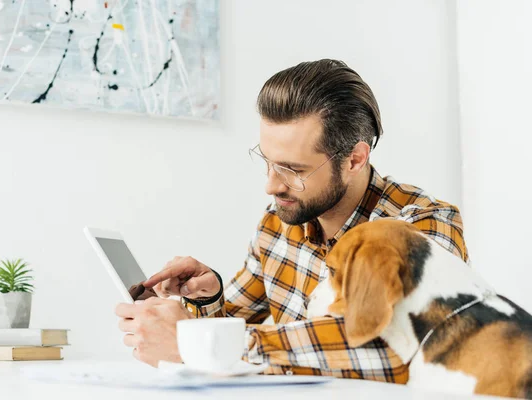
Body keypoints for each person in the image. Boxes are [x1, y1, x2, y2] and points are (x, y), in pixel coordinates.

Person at [115, 59, 468, 383]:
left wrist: (192, 345)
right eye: (267, 161)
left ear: (355, 159)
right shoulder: (278, 224)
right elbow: (237, 329)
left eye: (293, 169)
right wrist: (208, 298)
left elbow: (394, 350)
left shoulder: (426, 225)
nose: (271, 184)